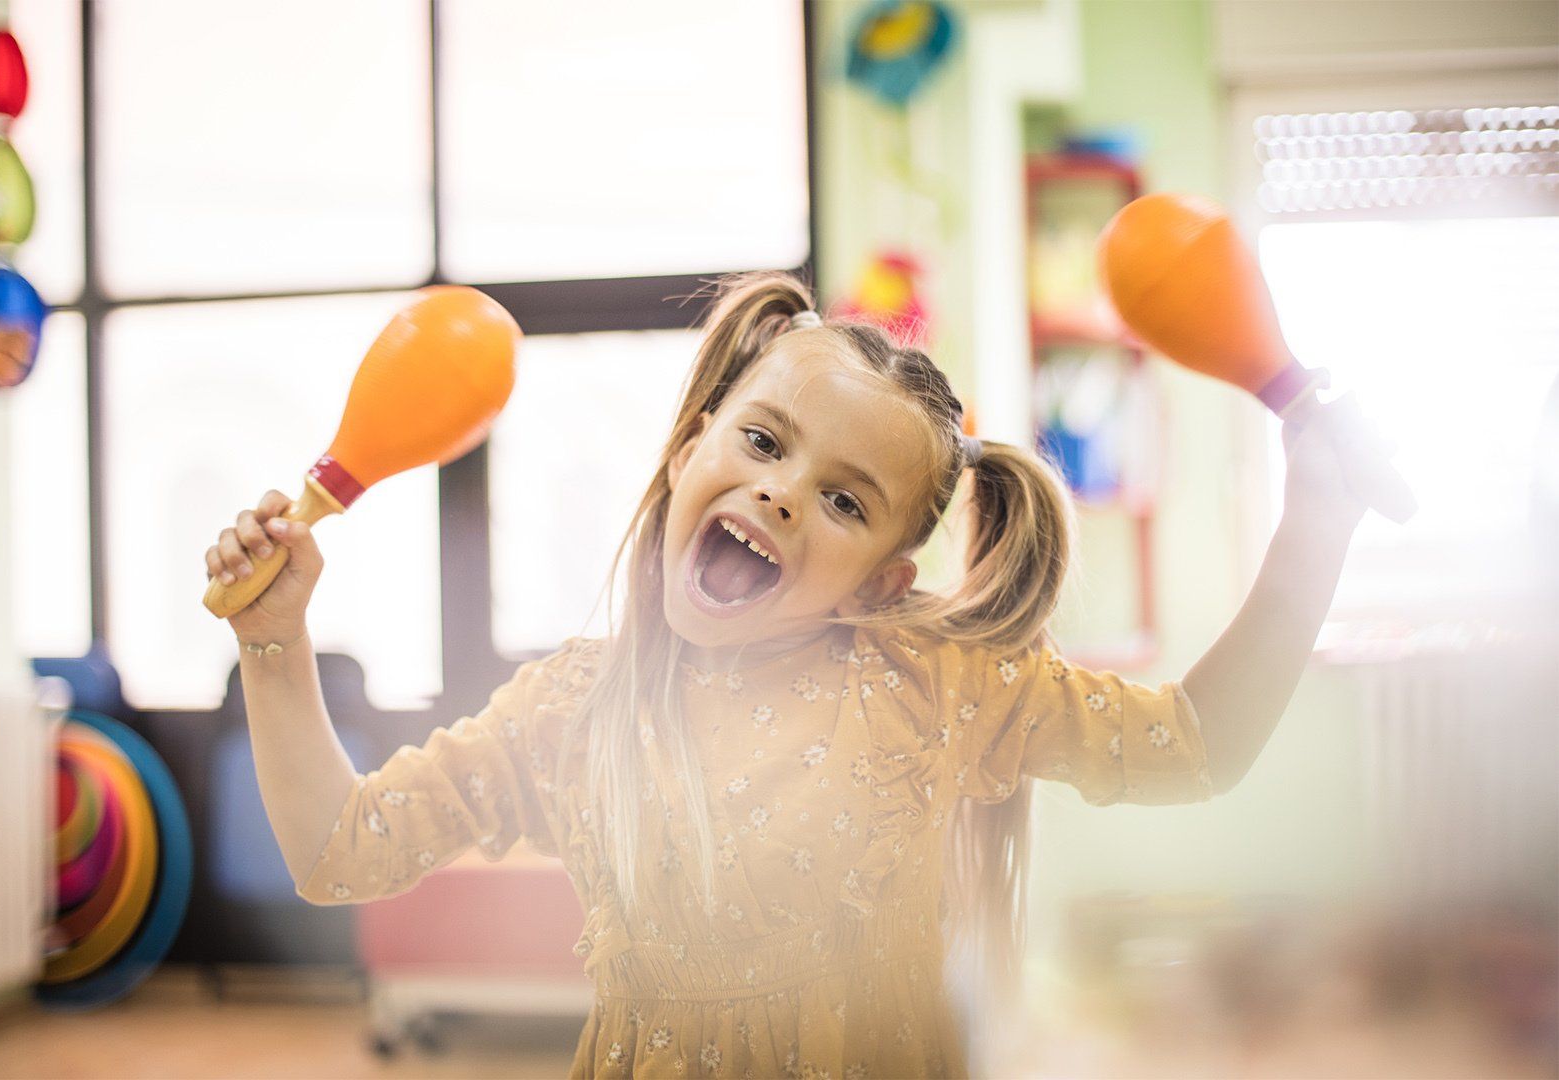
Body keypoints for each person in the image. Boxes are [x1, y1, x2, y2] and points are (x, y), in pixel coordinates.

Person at [206, 271, 1369, 1078]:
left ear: (877, 583)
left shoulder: (932, 680)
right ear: (689, 446)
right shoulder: (572, 707)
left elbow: (1194, 749)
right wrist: (275, 641)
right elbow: (339, 852)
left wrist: (1315, 523)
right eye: (762, 443)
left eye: (845, 500)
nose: (780, 493)